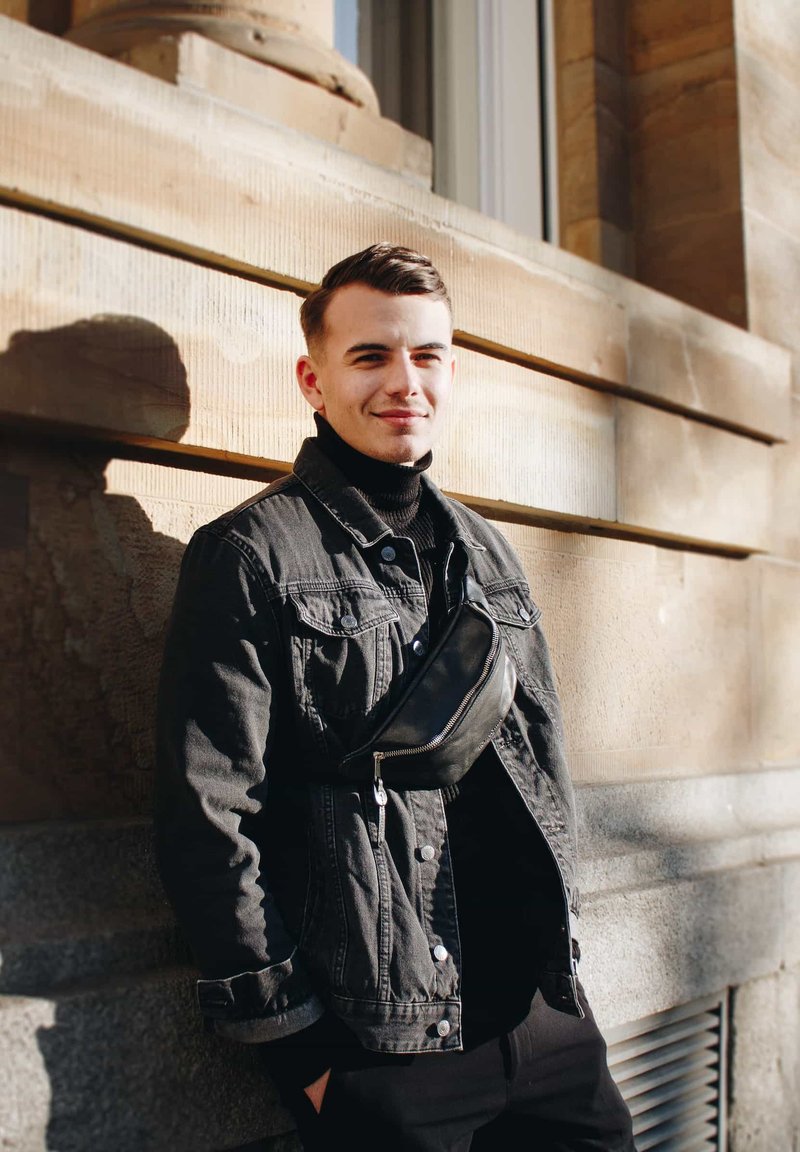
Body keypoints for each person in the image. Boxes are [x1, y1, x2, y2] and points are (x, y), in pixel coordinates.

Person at [155, 243, 635, 1151]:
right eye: (370, 356)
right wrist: (299, 1051)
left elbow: (544, 761)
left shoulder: (489, 550)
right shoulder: (251, 555)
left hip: (550, 1028)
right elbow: (207, 812)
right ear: (314, 377)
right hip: (385, 1050)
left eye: (426, 356)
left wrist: (568, 980)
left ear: (452, 372)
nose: (403, 382)